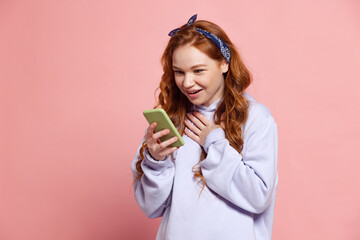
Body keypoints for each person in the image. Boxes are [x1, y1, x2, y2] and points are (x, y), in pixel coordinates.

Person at [131, 14, 278, 240]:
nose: (187, 83)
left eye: (198, 71)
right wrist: (155, 160)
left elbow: (258, 196)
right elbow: (151, 207)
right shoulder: (171, 121)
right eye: (179, 72)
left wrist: (215, 143)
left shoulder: (255, 117)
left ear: (223, 64)